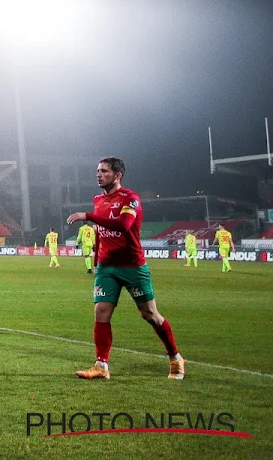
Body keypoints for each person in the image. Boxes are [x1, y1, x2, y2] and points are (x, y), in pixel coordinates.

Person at [66, 157, 184, 380]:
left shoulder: (130, 199)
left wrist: (87, 216)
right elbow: (101, 230)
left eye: (104, 171)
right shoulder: (98, 199)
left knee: (149, 314)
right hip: (106, 267)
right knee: (101, 312)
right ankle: (101, 366)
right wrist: (96, 255)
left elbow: (123, 225)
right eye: (98, 171)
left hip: (132, 266)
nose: (98, 175)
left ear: (117, 175)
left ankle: (175, 358)